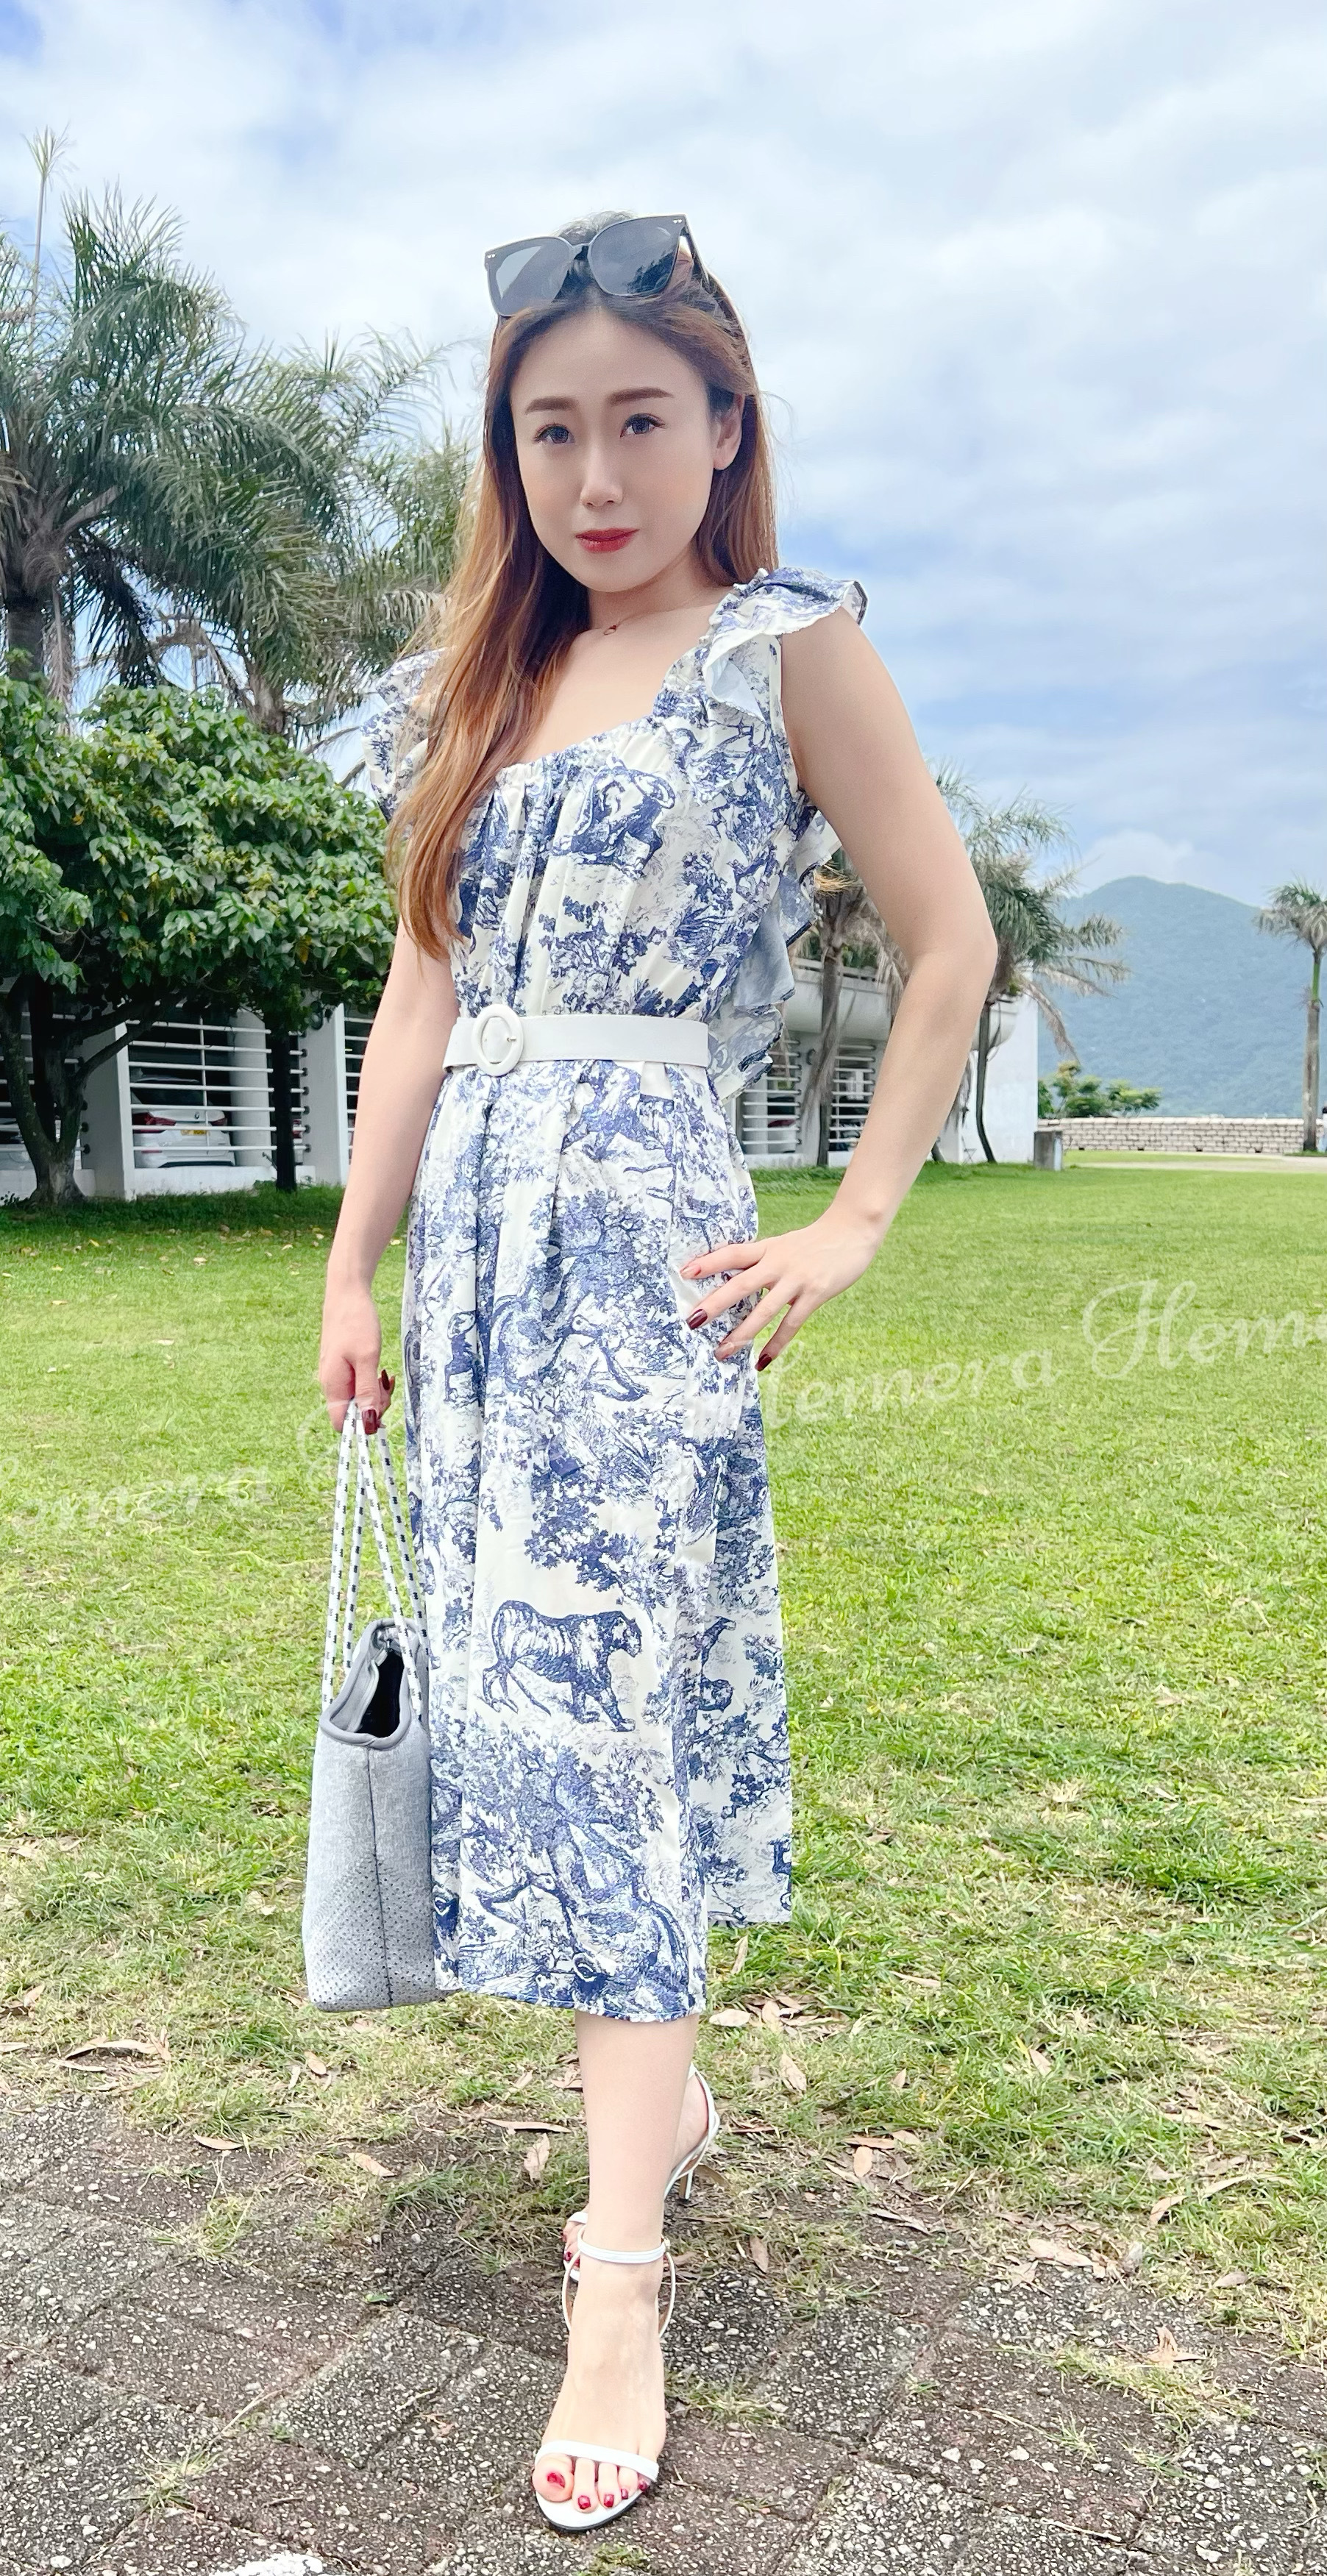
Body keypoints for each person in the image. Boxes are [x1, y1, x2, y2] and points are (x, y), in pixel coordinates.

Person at [317, 211, 995, 2534]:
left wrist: (855, 1218)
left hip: (642, 1246)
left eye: (637, 420)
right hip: (477, 1266)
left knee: (611, 1722)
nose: (593, 476)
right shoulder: (488, 681)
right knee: (524, 1713)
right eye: (548, 431)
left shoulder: (785, 647)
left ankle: (619, 2276)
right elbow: (421, 988)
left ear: (723, 427)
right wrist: (352, 1264)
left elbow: (946, 944)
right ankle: (657, 2108)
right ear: (504, 455)